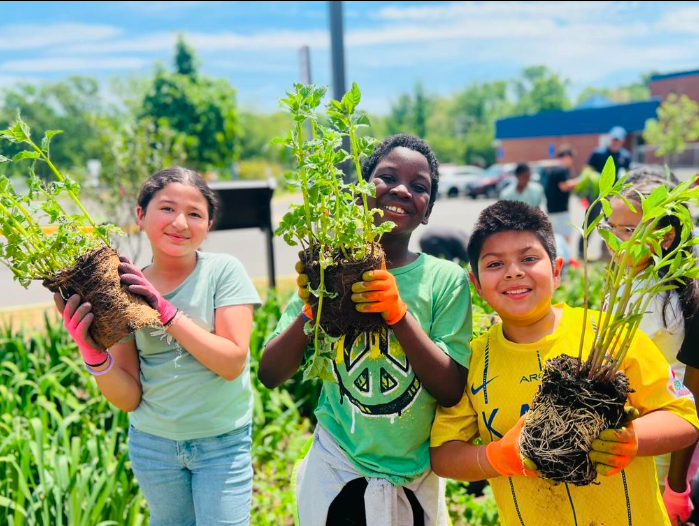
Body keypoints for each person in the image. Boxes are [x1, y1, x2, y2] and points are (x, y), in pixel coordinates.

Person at [430, 200, 699, 525]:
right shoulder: (474, 361)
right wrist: (495, 458)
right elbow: (444, 455)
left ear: (557, 271)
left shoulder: (610, 335)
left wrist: (632, 440)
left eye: (529, 258)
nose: (514, 271)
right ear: (476, 285)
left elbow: (683, 415)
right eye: (494, 264)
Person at [260, 134, 472, 526]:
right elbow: (270, 373)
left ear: (427, 212)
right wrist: (313, 309)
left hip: (415, 477)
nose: (401, 189)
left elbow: (450, 388)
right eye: (386, 176)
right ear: (358, 192)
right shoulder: (326, 269)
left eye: (419, 186)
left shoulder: (446, 280)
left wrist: (397, 313)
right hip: (338, 469)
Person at [55, 167, 262, 525]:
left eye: (195, 213)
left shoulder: (223, 272)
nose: (180, 222)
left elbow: (232, 362)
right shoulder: (119, 291)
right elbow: (129, 398)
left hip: (221, 444)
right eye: (166, 208)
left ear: (208, 225)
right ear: (141, 215)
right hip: (154, 447)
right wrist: (92, 355)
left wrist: (163, 309)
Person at [602, 166, 699, 524]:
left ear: (666, 238)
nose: (616, 242)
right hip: (631, 438)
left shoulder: (664, 301)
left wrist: (677, 486)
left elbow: (691, 391)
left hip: (655, 444)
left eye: (629, 231)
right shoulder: (632, 277)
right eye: (612, 229)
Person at [578, 126, 632, 258]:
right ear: (610, 138)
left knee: (612, 225)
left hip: (614, 197)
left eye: (618, 140)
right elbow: (587, 171)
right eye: (614, 139)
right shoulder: (598, 153)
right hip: (597, 195)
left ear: (622, 141)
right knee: (590, 222)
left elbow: (627, 175)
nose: (615, 142)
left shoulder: (625, 156)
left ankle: (607, 254)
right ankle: (581, 252)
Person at [545, 144, 578, 244]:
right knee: (565, 236)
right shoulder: (561, 169)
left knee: (556, 236)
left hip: (552, 208)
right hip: (560, 209)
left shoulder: (554, 169)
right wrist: (580, 180)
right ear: (567, 157)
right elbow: (563, 186)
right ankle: (564, 258)